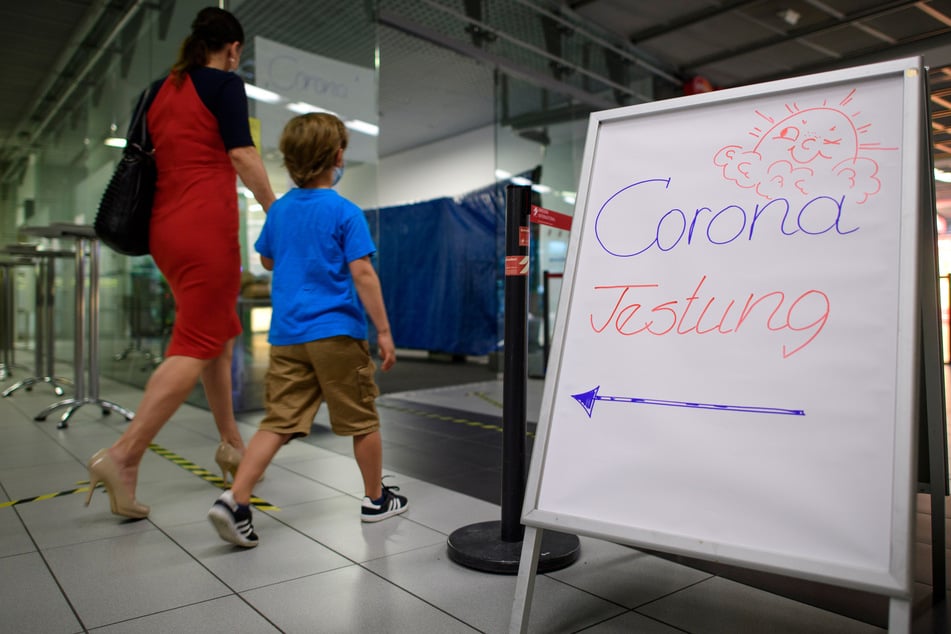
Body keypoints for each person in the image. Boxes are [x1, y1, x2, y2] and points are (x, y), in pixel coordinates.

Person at [85, 7, 276, 519]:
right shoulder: (224, 85)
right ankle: (123, 457)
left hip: (164, 234)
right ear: (233, 50)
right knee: (196, 342)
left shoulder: (156, 91)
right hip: (204, 229)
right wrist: (276, 214)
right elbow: (242, 155)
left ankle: (230, 443)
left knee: (219, 330)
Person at [207, 112, 407, 547]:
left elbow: (267, 259)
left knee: (277, 422)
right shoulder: (344, 211)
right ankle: (376, 500)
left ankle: (236, 499)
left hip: (287, 337)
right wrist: (385, 332)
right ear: (337, 157)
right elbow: (363, 273)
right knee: (361, 420)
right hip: (336, 334)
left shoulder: (279, 212)